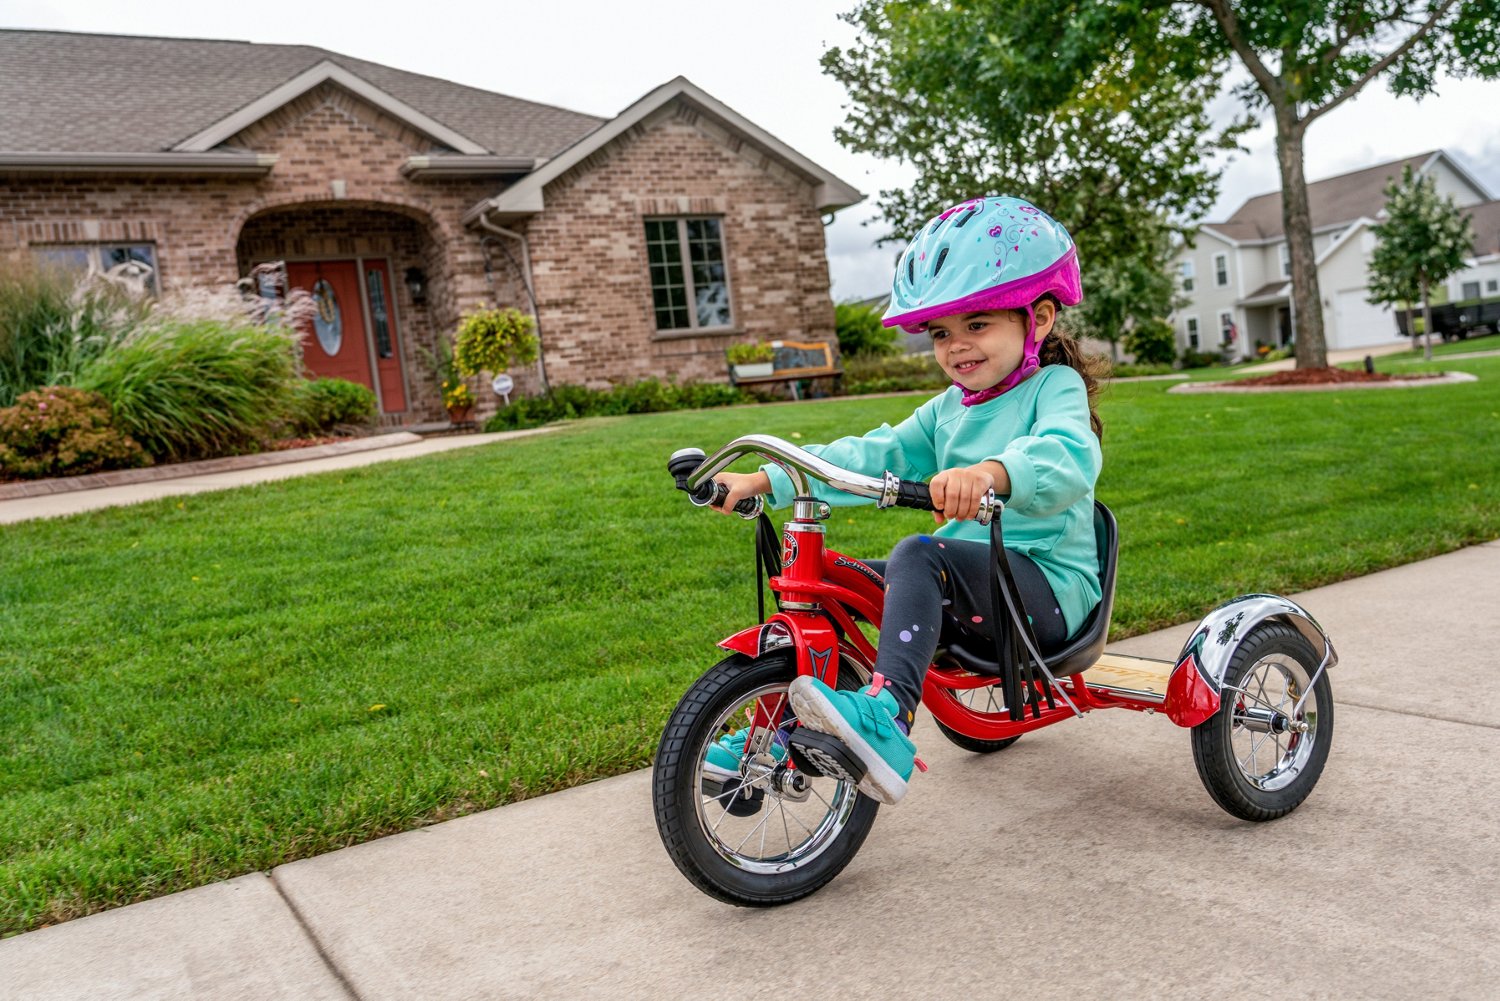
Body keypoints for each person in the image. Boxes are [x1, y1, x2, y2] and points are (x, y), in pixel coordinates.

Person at [707, 195, 1105, 806]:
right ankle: (778, 733)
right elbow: (875, 453)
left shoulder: (1055, 387)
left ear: (1040, 317)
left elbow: (1068, 455)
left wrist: (992, 472)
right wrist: (767, 479)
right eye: (942, 333)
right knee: (842, 585)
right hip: (974, 582)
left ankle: (887, 720)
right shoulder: (948, 409)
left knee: (919, 554)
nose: (957, 347)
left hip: (1047, 590)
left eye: (977, 325)